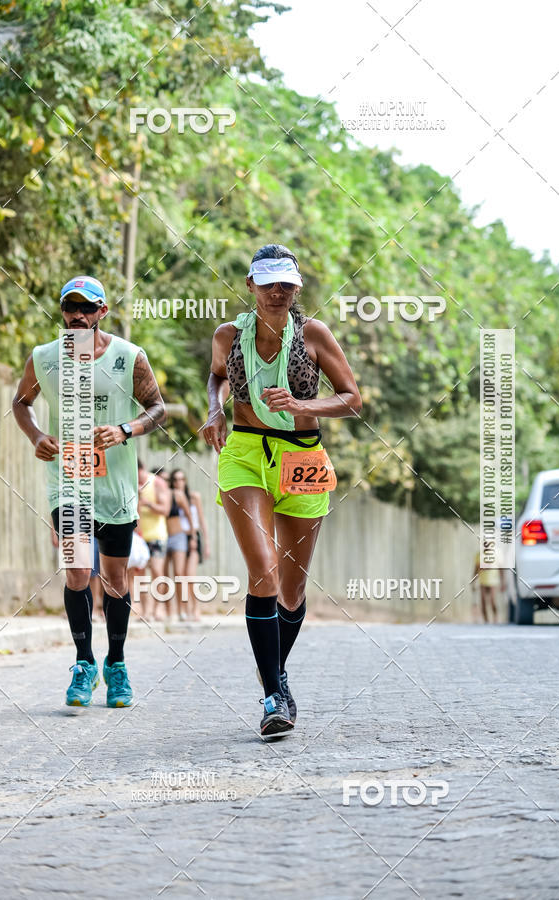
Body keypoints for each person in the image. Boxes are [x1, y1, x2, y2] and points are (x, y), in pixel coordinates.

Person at [203, 244, 361, 737]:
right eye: (268, 282)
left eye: (286, 284)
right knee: (263, 572)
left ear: (297, 289)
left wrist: (300, 403)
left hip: (302, 457)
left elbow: (353, 399)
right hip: (247, 453)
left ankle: (275, 670)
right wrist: (215, 408)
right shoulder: (228, 335)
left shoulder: (313, 334)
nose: (277, 291)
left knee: (292, 591)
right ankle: (273, 697)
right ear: (249, 285)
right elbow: (215, 378)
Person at [12, 275, 166, 708]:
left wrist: (124, 430)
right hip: (68, 483)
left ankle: (116, 664)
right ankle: (84, 663)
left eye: (86, 308)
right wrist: (36, 436)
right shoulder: (45, 358)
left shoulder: (128, 356)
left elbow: (158, 409)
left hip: (115, 486)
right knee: (78, 572)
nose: (77, 315)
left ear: (102, 312)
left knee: (115, 580)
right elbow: (20, 403)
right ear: (62, 311)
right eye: (69, 307)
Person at [171, 469, 207, 620]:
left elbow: (201, 519)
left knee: (191, 576)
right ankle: (182, 610)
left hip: (193, 536)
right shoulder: (172, 498)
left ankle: (195, 608)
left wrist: (207, 542)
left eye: (182, 479)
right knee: (180, 575)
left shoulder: (194, 497)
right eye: (176, 479)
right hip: (180, 536)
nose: (179, 482)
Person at [137, 461, 171, 621]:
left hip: (157, 535)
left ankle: (158, 609)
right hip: (139, 536)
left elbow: (165, 510)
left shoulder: (157, 483)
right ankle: (145, 612)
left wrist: (147, 503)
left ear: (141, 470)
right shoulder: (131, 483)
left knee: (157, 572)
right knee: (140, 575)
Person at [473, 543, 506, 623]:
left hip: (493, 582)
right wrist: (473, 582)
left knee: (492, 601)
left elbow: (501, 570)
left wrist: (503, 583)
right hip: (483, 582)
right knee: (483, 602)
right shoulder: (479, 555)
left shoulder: (497, 554)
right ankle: (486, 620)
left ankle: (495, 618)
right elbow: (475, 570)